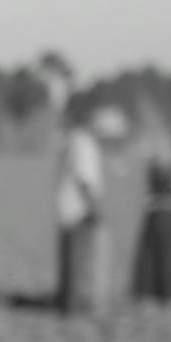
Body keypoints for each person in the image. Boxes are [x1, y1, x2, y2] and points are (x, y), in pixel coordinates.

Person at [54, 102, 124, 314]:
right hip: (77, 213)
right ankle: (77, 305)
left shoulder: (79, 141)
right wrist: (96, 210)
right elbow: (84, 182)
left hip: (70, 211)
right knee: (80, 265)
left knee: (72, 266)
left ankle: (71, 302)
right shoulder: (84, 144)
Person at [131, 138, 171, 304]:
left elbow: (147, 191)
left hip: (155, 210)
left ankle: (152, 290)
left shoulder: (152, 167)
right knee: (168, 255)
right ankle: (167, 292)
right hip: (169, 210)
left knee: (151, 255)